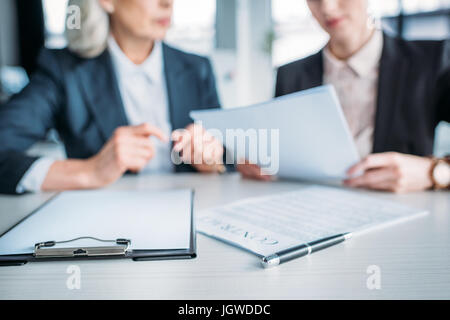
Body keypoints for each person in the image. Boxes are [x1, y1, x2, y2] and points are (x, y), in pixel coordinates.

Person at [0, 0, 225, 195]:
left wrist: (214, 162)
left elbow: (228, 156)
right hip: (103, 229)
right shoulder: (63, 70)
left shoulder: (198, 69)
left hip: (193, 215)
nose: (168, 3)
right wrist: (90, 171)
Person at [238, 0, 450, 193]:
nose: (327, 7)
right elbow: (280, 154)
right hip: (309, 213)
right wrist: (260, 160)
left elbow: (436, 173)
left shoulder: (431, 61)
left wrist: (434, 172)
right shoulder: (290, 75)